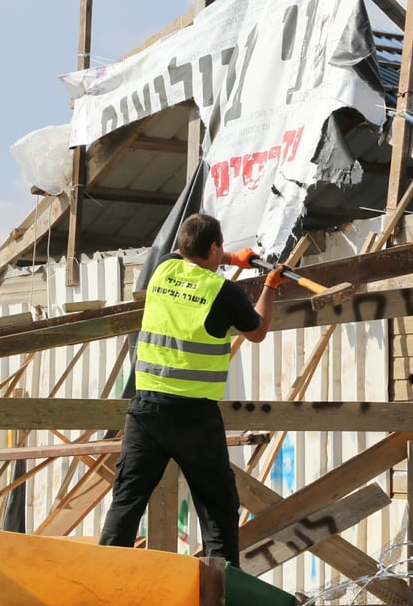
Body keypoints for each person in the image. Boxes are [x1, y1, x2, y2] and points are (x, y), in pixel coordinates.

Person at [98, 214, 288, 566]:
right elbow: (258, 330)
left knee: (127, 500)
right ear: (213, 246)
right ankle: (221, 595)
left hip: (146, 410)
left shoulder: (163, 271)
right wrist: (270, 286)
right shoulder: (222, 291)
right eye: (219, 249)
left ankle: (105, 579)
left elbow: (180, 251)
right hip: (194, 417)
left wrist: (232, 258)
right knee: (218, 509)